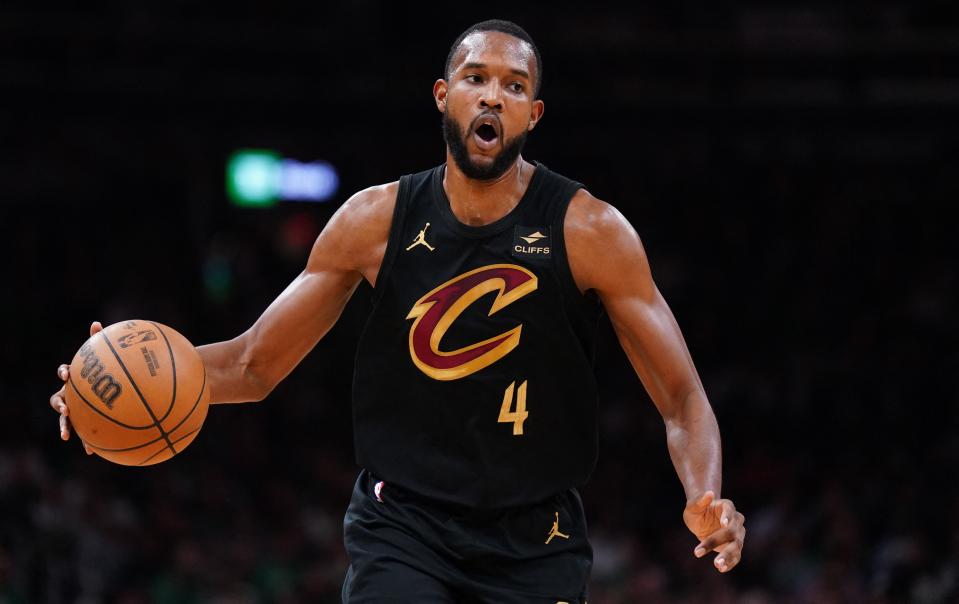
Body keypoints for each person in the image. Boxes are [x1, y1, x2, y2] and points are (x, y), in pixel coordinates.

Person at [49, 19, 745, 603]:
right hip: (403, 525)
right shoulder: (371, 221)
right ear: (443, 97)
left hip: (538, 538)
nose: (492, 97)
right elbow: (252, 365)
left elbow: (682, 397)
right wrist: (109, 381)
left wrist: (703, 493)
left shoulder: (591, 231)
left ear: (533, 115)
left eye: (514, 86)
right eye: (475, 78)